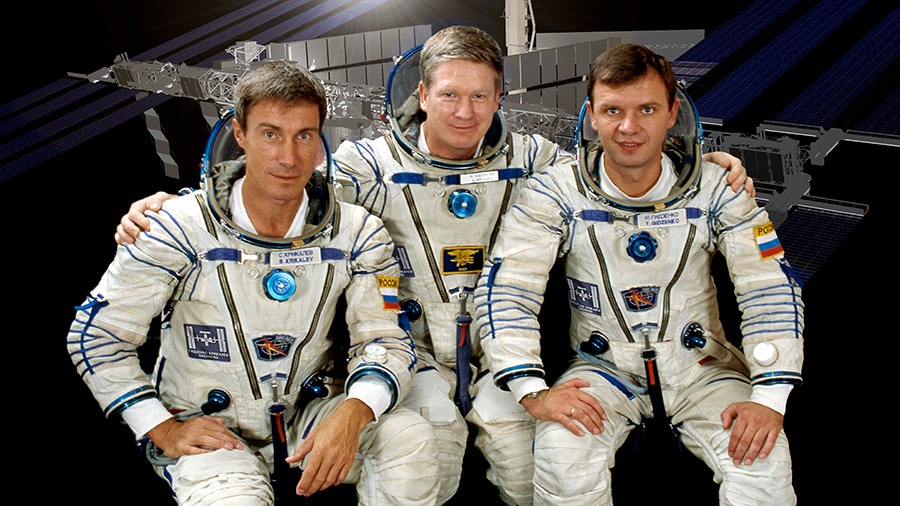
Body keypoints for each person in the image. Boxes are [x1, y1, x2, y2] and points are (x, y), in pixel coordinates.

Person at [114, 28, 753, 505]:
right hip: (408, 355)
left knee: (530, 453)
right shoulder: (368, 165)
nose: (466, 113)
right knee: (431, 450)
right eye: (450, 95)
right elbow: (287, 185)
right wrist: (177, 203)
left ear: (500, 96)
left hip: (505, 356)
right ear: (423, 95)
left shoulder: (533, 160)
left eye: (481, 97)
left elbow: (618, 157)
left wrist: (706, 165)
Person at [68, 61, 439, 505]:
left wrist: (354, 413)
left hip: (310, 417)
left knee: (411, 436)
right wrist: (163, 428)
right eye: (270, 134)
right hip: (211, 430)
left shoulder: (358, 233)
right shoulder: (178, 228)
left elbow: (387, 340)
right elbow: (95, 338)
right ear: (239, 135)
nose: (289, 156)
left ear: (322, 142)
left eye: (304, 135)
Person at [474, 43, 802, 505]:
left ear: (672, 113)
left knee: (764, 466)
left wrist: (770, 399)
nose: (629, 128)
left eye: (647, 109)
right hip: (602, 370)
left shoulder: (718, 190)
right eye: (613, 111)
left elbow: (769, 290)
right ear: (590, 115)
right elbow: (508, 292)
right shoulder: (554, 194)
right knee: (562, 460)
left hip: (702, 370)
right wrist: (533, 390)